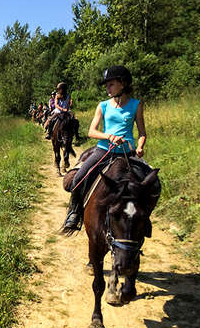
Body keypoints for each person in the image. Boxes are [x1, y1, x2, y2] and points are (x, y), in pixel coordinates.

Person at [62, 65, 146, 233]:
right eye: (106, 85)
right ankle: (75, 212)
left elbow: (142, 132)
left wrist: (140, 146)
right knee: (78, 178)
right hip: (104, 151)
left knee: (150, 184)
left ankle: (143, 219)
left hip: (127, 153)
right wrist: (109, 136)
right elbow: (91, 131)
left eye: (111, 84)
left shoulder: (136, 105)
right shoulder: (103, 106)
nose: (107, 88)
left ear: (122, 84)